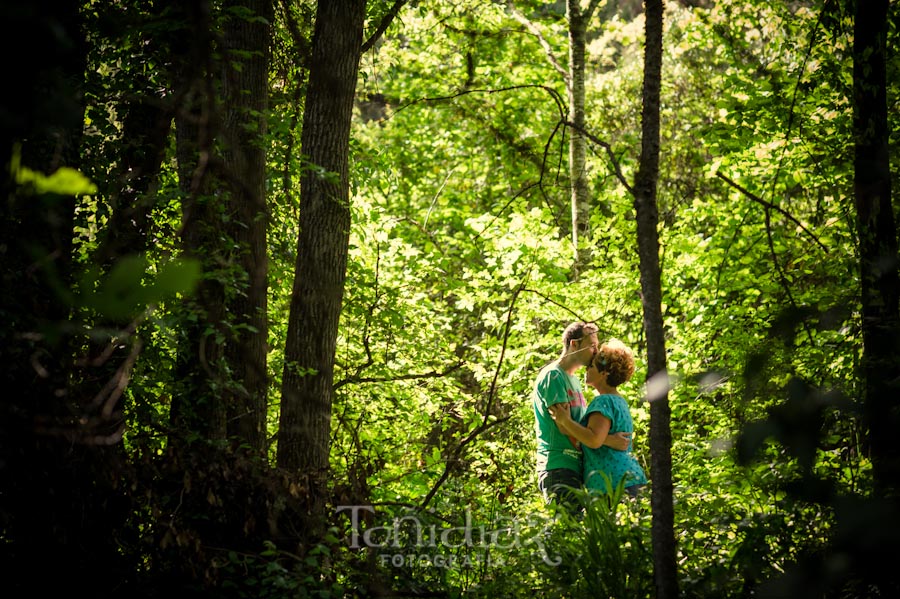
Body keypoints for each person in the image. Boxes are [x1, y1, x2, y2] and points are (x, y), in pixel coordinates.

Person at [533, 322, 630, 513]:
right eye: (592, 345)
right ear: (574, 344)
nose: (596, 351)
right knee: (566, 532)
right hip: (558, 466)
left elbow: (577, 424)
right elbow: (563, 425)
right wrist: (609, 440)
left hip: (576, 467)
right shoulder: (553, 376)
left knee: (577, 532)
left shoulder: (575, 381)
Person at [550, 338, 647, 502]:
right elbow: (592, 436)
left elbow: (593, 439)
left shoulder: (603, 402)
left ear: (604, 373)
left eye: (592, 366)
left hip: (615, 484)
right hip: (627, 481)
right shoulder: (618, 400)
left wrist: (565, 421)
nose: (587, 369)